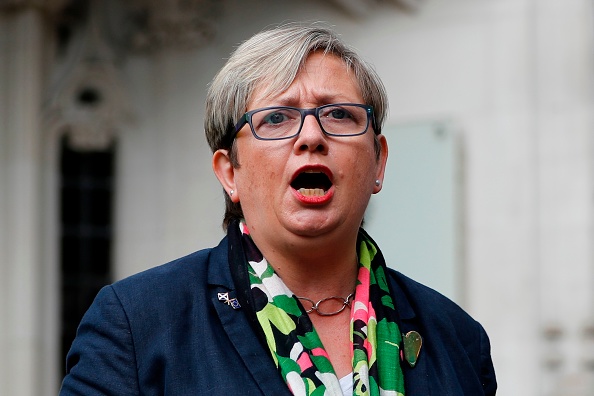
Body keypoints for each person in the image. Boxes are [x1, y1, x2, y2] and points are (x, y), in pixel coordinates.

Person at [60, 24, 497, 395]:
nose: (311, 136)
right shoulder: (138, 324)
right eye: (276, 118)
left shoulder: (457, 339)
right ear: (229, 171)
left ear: (379, 163)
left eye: (340, 115)